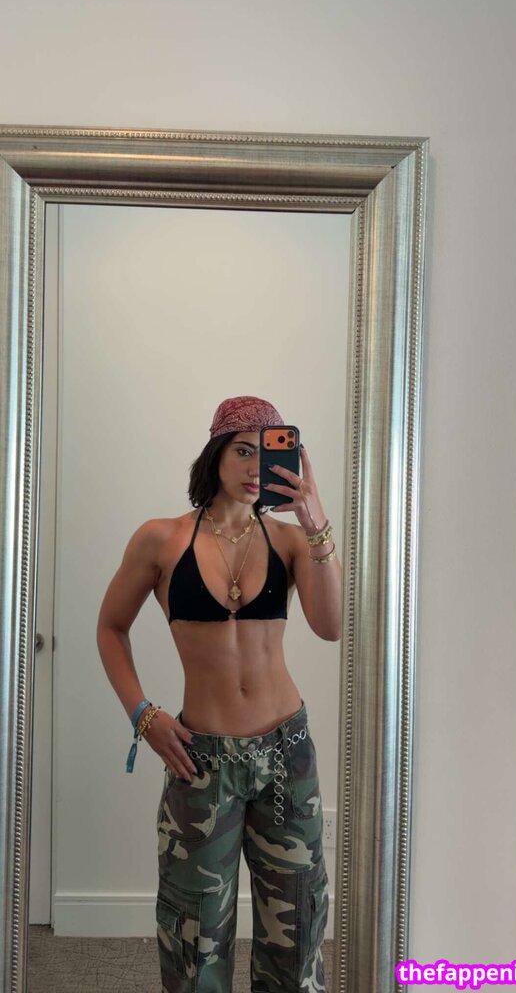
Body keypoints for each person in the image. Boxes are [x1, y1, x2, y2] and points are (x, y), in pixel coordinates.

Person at [96, 395, 342, 993]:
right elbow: (110, 628)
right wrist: (143, 714)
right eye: (242, 452)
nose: (256, 468)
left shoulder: (290, 541)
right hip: (201, 762)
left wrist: (316, 523)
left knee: (296, 932)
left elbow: (331, 625)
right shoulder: (161, 540)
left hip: (286, 757)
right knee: (194, 938)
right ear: (216, 454)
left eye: (267, 454)